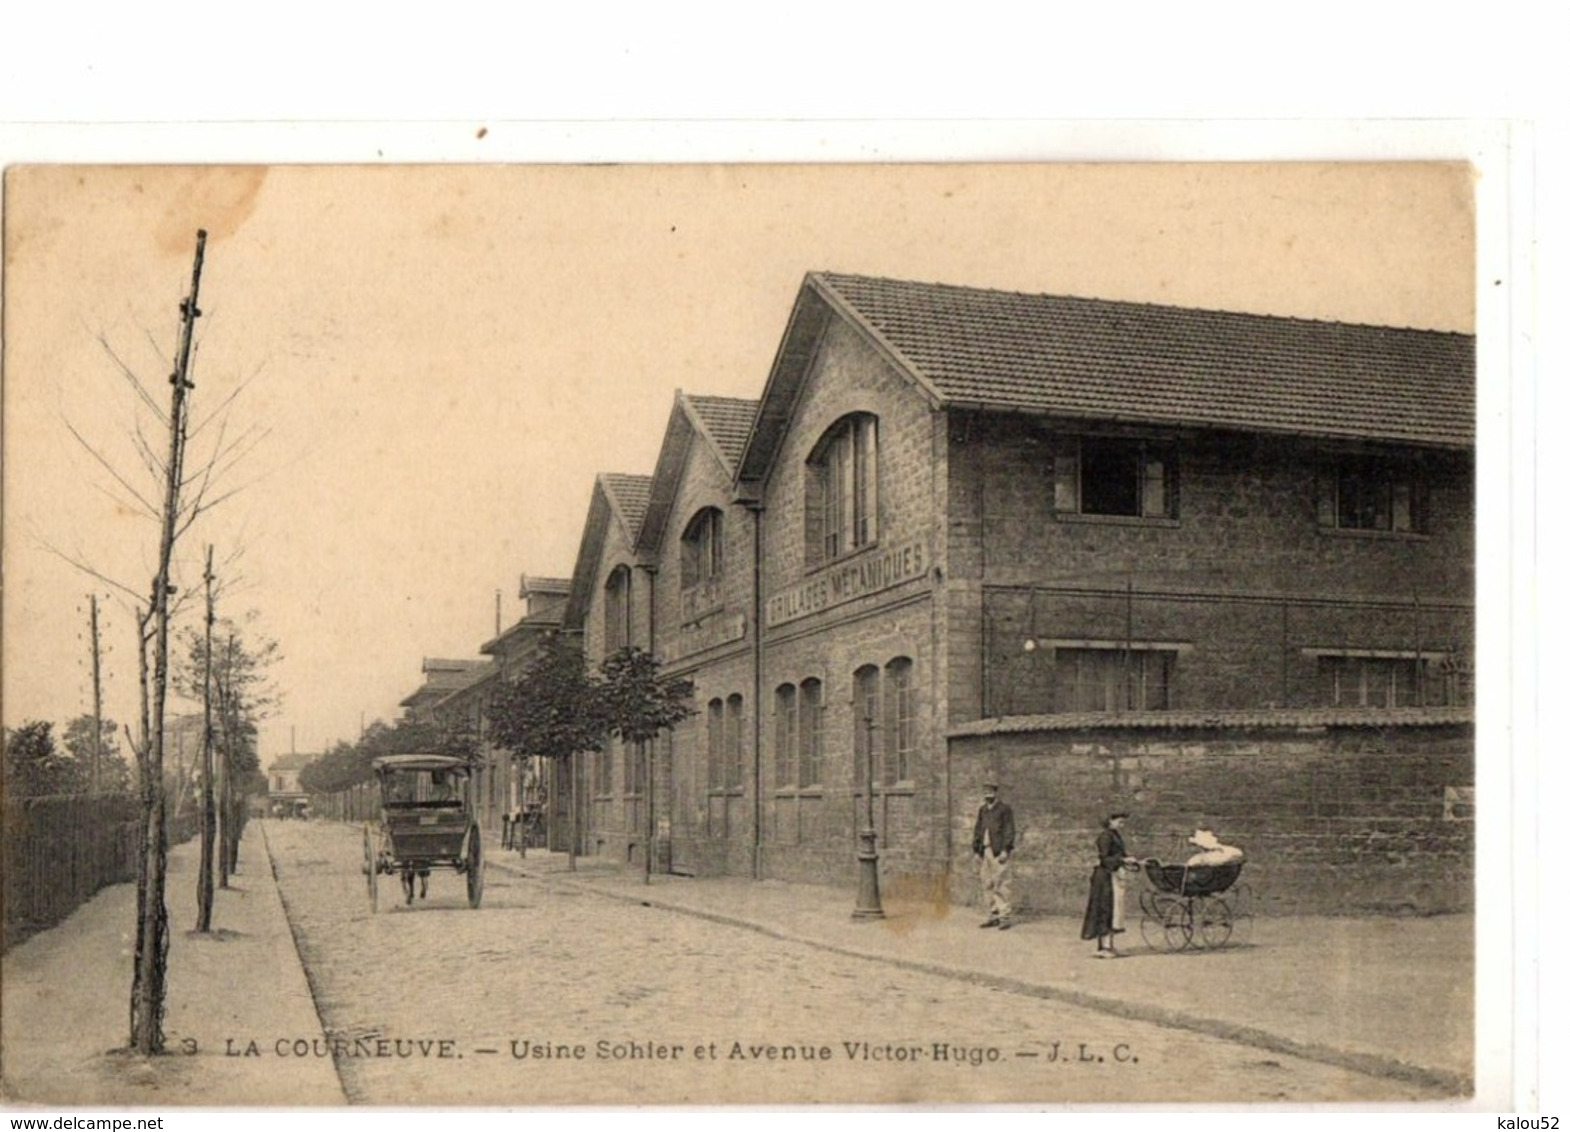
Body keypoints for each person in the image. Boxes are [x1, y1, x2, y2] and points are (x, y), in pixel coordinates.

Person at [1081, 812, 1139, 957]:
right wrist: (1123, 860)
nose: (1122, 825)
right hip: (1105, 877)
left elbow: (1119, 855)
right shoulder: (1105, 836)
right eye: (1119, 822)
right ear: (1110, 821)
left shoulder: (1114, 835)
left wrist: (1128, 859)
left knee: (1114, 911)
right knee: (1105, 909)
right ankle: (1103, 948)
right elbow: (1105, 858)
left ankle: (1109, 946)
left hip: (1113, 876)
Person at [971, 780, 1016, 930]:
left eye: (991, 791)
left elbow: (1009, 830)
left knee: (1002, 884)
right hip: (985, 851)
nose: (988, 793)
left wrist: (1005, 850)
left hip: (998, 852)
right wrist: (977, 851)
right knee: (987, 884)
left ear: (996, 793)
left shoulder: (1004, 809)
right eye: (985, 791)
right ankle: (993, 915)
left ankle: (1005, 917)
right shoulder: (983, 810)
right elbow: (978, 830)